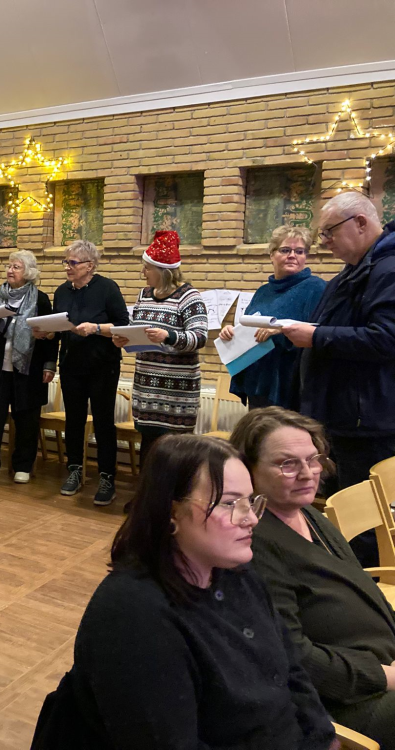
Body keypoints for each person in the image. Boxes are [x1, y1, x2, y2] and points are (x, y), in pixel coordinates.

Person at [31, 434, 338, 750]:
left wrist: (323, 738)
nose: (250, 519)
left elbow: (292, 670)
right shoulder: (133, 616)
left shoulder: (237, 573)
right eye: (230, 503)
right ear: (172, 513)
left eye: (250, 501)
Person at [232, 407, 395, 748]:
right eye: (287, 464)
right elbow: (294, 657)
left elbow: (358, 591)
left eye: (313, 459)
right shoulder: (254, 545)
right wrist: (384, 676)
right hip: (348, 700)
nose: (308, 474)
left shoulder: (307, 513)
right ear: (248, 470)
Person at [284, 191, 395, 494]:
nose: (324, 242)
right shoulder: (356, 270)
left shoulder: (387, 270)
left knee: (364, 514)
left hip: (370, 424)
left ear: (360, 222)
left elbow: (387, 338)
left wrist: (316, 336)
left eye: (329, 231)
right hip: (346, 418)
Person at [36, 240, 129, 506]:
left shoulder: (107, 288)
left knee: (103, 422)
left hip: (103, 366)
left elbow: (123, 325)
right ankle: (75, 470)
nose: (68, 267)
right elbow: (58, 328)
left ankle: (107, 478)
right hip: (71, 365)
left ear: (90, 265)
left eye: (73, 262)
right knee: (74, 420)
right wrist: (47, 334)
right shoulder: (62, 291)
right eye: (66, 262)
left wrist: (96, 328)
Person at [113, 231, 208, 471]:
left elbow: (199, 337)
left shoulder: (189, 297)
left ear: (163, 271)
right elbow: (137, 328)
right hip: (147, 389)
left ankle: (173, 494)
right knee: (148, 449)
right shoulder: (144, 295)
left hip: (176, 393)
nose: (143, 273)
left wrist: (169, 336)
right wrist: (124, 338)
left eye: (147, 268)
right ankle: (148, 492)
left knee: (175, 453)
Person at [218, 226, 325, 409]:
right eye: (285, 250)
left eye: (299, 251)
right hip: (259, 381)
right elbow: (248, 325)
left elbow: (319, 334)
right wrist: (231, 332)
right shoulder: (263, 291)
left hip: (291, 385)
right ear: (272, 255)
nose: (292, 256)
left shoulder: (316, 288)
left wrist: (281, 331)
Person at [0, 250, 55, 487]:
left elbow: (51, 335)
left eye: (16, 267)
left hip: (29, 367)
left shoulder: (40, 299)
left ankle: (23, 466)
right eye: (9, 266)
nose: (10, 270)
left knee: (27, 419)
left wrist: (49, 365)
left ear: (28, 272)